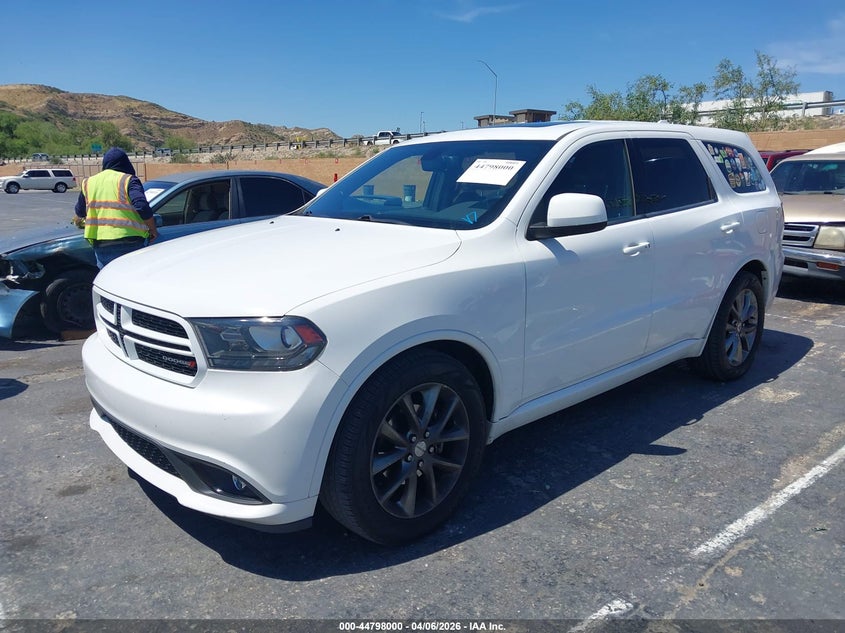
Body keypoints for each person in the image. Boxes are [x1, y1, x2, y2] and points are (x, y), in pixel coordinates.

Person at [74, 147, 158, 269]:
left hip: (101, 244)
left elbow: (80, 212)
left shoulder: (88, 182)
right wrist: (152, 229)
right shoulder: (128, 180)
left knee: (109, 282)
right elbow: (141, 206)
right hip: (130, 241)